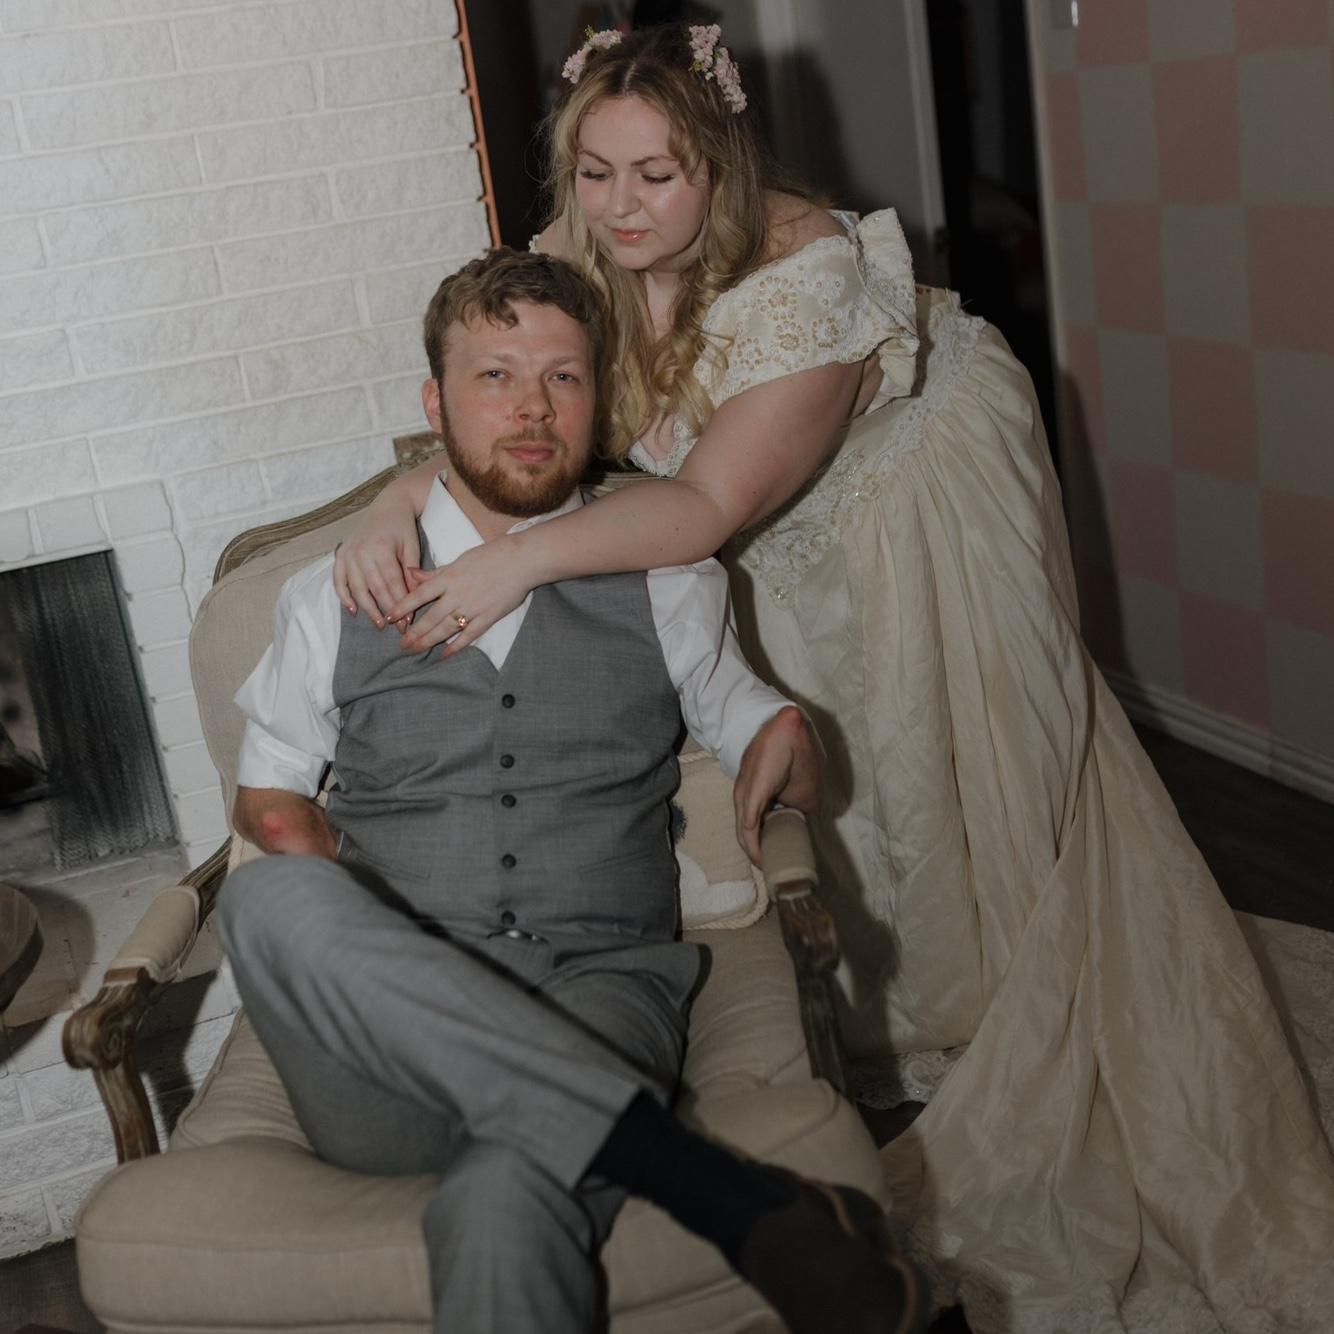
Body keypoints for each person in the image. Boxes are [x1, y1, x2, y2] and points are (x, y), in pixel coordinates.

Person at [331, 21, 1334, 1333]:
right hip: (737, 493)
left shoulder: (802, 279)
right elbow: (515, 399)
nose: (619, 209)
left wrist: (512, 562)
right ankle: (879, 1019)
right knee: (826, 749)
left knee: (940, 759)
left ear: (719, 166)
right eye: (594, 172)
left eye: (656, 176)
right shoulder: (582, 245)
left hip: (909, 492)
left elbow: (698, 508)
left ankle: (1004, 1007)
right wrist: (395, 504)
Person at [218, 247, 926, 1334]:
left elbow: (763, 732)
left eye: (563, 376)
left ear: (597, 400)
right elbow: (267, 802)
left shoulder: (668, 579)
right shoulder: (333, 594)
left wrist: (785, 735)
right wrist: (378, 959)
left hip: (599, 998)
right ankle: (724, 1198)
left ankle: (645, 1166)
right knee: (267, 897)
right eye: (495, 376)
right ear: (435, 405)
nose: (533, 408)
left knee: (504, 1207)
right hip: (392, 1055)